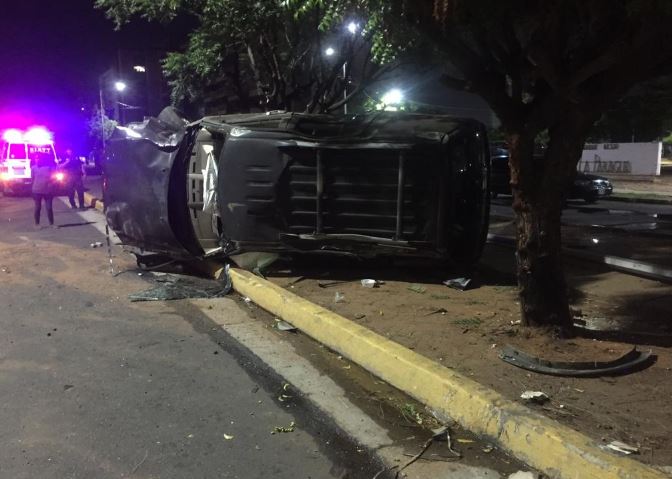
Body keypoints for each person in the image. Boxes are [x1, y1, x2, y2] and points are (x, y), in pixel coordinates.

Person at [31, 154, 57, 229]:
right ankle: (37, 224)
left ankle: (51, 224)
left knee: (49, 208)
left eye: (38, 158)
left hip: (48, 191)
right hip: (36, 191)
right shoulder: (33, 168)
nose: (37, 160)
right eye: (36, 158)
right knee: (37, 208)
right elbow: (32, 178)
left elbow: (54, 177)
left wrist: (51, 184)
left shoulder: (49, 167)